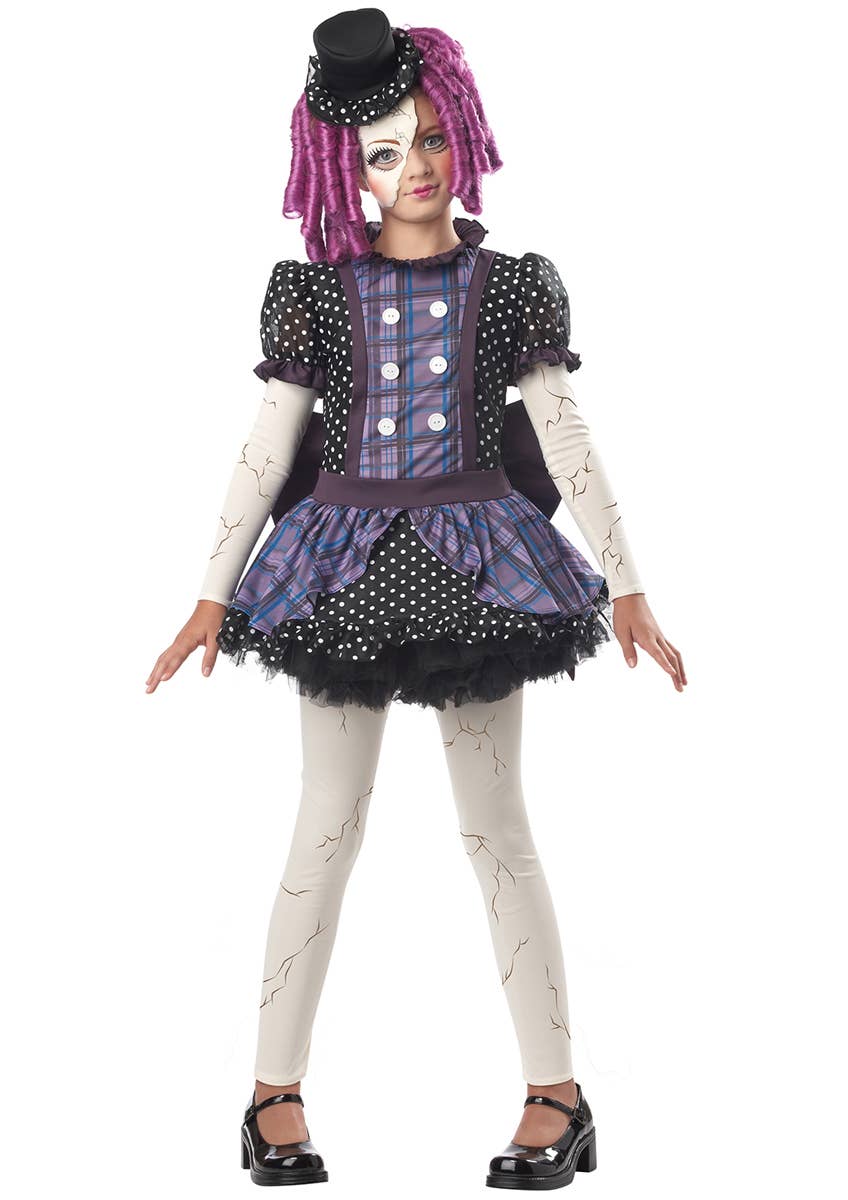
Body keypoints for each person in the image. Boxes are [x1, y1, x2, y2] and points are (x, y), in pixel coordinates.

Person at [146, 8, 687, 1189]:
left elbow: (563, 431)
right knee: (326, 824)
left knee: (496, 828)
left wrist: (630, 582)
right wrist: (209, 594)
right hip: (340, 570)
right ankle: (271, 1093)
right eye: (385, 151)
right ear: (347, 168)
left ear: (466, 136)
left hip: (479, 567)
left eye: (432, 139)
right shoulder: (314, 294)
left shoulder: (511, 287)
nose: (416, 168)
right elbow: (268, 442)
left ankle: (557, 1094)